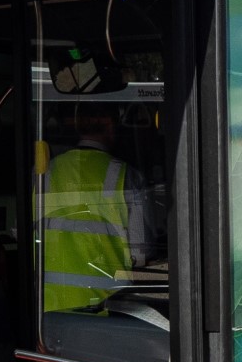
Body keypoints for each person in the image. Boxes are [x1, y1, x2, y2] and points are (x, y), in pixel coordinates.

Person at [42, 103, 156, 311]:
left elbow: (20, 232)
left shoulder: (44, 173)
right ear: (111, 127)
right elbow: (142, 250)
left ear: (77, 127)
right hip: (107, 310)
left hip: (49, 311)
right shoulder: (126, 176)